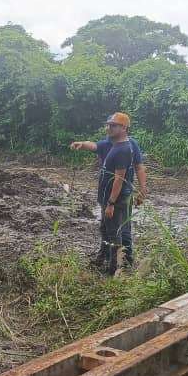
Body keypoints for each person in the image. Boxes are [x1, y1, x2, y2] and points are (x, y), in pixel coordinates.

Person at [70, 112, 147, 274]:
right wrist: (82, 144)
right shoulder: (109, 143)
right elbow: (95, 146)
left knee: (121, 231)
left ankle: (121, 264)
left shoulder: (129, 145)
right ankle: (106, 257)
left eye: (113, 125)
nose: (108, 128)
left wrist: (142, 189)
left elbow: (136, 169)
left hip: (120, 195)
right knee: (106, 228)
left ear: (124, 128)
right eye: (108, 125)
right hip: (107, 195)